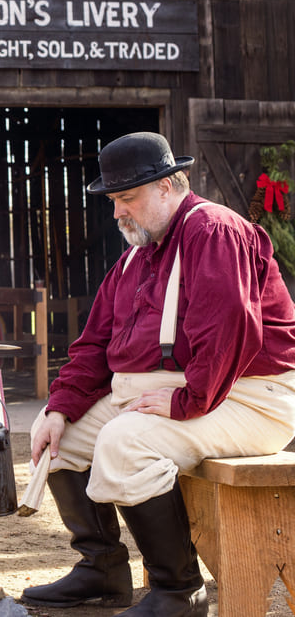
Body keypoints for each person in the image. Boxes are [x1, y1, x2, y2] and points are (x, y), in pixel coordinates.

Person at [21, 132, 295, 616]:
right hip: (184, 389)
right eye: (113, 201)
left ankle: (179, 592)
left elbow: (230, 328)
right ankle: (101, 570)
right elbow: (94, 344)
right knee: (58, 435)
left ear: (169, 185)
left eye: (127, 198)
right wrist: (61, 405)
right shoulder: (137, 253)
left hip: (250, 396)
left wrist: (187, 401)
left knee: (126, 442)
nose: (117, 212)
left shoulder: (212, 231)